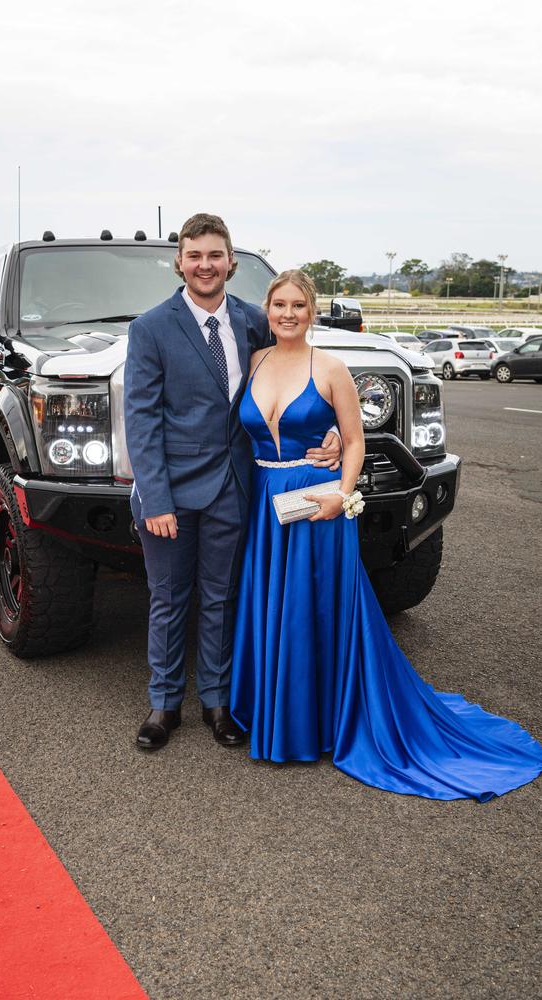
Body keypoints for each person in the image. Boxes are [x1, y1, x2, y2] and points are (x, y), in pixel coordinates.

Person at [230, 269, 542, 800]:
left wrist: (341, 493)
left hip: (319, 504)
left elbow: (353, 442)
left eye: (298, 306)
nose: (287, 314)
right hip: (264, 500)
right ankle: (276, 712)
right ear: (267, 309)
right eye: (278, 305)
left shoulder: (330, 368)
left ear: (313, 312)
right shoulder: (253, 362)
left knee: (317, 608)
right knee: (271, 604)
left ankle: (319, 724)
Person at [124, 215, 342, 751]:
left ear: (231, 262)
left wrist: (332, 425)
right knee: (169, 597)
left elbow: (301, 371)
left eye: (215, 255)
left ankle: (217, 703)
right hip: (169, 493)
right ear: (179, 262)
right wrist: (155, 497)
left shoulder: (255, 322)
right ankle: (164, 704)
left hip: (236, 489)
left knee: (222, 597)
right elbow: (142, 420)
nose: (205, 265)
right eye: (194, 255)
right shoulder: (150, 328)